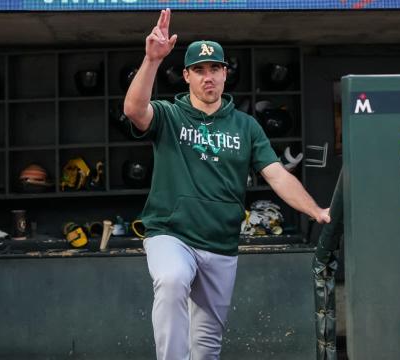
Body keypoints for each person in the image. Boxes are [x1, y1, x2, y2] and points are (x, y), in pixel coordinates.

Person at [124, 9, 330, 360]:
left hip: (220, 244)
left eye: (215, 69)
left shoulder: (246, 126)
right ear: (186, 75)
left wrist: (316, 210)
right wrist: (152, 59)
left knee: (206, 348)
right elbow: (133, 109)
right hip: (171, 234)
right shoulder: (170, 115)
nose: (209, 77)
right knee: (172, 280)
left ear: (224, 75)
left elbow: (277, 174)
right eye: (200, 70)